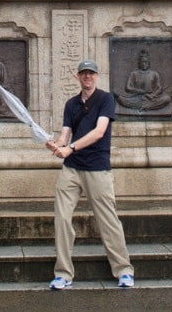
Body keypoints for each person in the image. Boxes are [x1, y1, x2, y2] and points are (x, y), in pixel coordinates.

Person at [45, 59, 134, 290]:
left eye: (91, 73)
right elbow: (66, 134)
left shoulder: (105, 99)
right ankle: (63, 273)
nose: (87, 77)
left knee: (108, 220)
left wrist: (70, 148)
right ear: (77, 76)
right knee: (62, 218)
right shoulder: (71, 104)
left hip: (97, 167)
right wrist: (56, 144)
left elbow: (99, 131)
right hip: (72, 168)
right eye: (84, 73)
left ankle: (123, 270)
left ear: (97, 76)